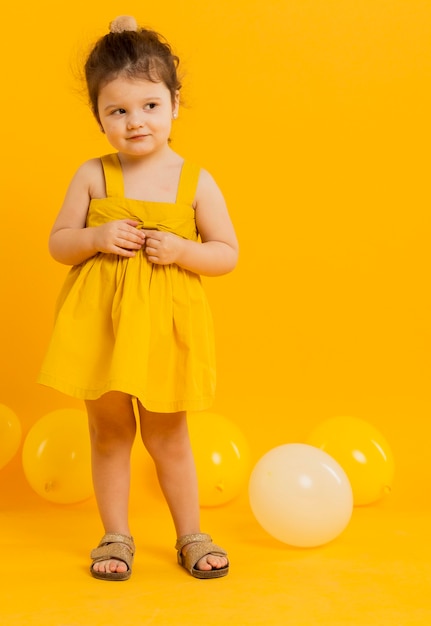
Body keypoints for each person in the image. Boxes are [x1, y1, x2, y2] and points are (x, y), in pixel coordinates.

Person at [38, 15, 238, 581]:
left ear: (175, 104)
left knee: (168, 434)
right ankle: (115, 536)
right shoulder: (93, 175)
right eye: (117, 111)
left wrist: (182, 251)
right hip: (101, 324)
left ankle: (190, 533)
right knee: (110, 432)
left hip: (164, 326)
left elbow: (226, 252)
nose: (135, 122)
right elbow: (58, 244)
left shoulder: (194, 180)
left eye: (150, 106)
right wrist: (95, 238)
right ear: (99, 116)